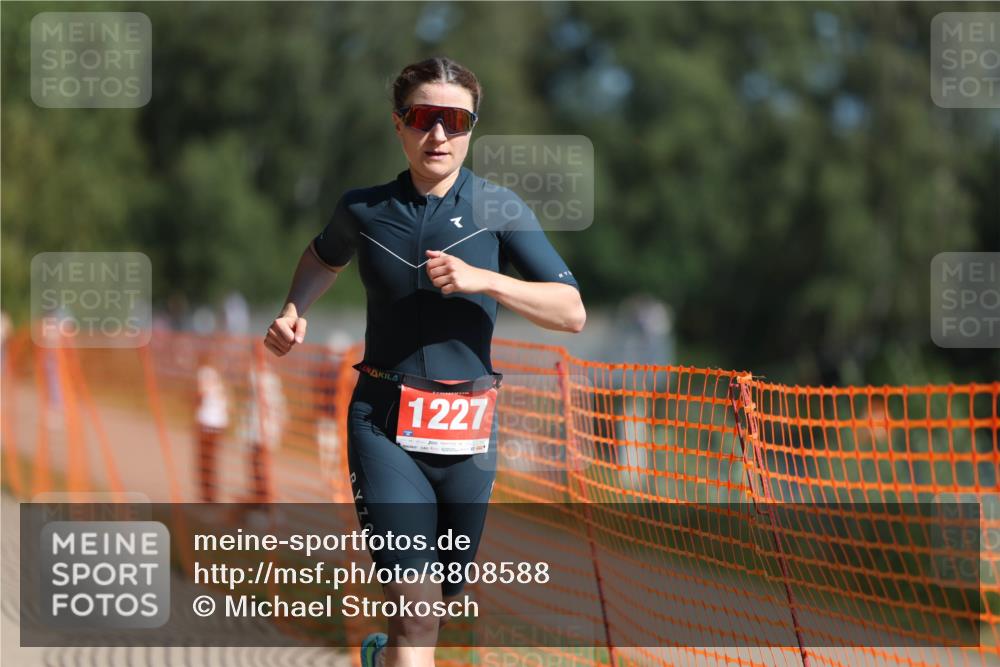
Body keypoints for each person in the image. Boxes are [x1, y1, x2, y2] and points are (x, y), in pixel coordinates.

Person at [264, 56, 585, 667]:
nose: (438, 134)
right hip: (383, 424)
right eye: (423, 118)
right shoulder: (363, 209)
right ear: (399, 124)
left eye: (455, 120)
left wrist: (484, 280)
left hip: (468, 433)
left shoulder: (498, 209)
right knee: (415, 611)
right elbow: (322, 258)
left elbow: (571, 312)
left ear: (472, 128)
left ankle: (381, 658)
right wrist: (292, 309)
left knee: (438, 604)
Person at [194, 350, 229, 502]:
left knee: (205, 459)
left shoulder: (204, 373)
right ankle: (210, 493)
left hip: (207, 422)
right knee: (212, 459)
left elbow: (200, 394)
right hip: (218, 422)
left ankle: (207, 494)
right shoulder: (218, 377)